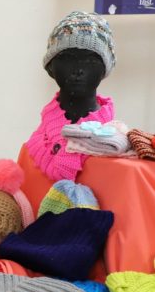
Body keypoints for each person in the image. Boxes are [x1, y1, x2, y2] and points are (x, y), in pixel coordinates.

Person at [25, 11, 116, 182]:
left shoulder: (117, 151)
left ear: (105, 68)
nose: (78, 69)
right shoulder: (30, 150)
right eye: (67, 58)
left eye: (91, 60)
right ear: (50, 67)